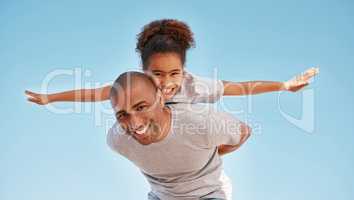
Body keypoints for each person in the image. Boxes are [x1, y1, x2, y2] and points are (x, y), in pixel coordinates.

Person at [25, 19, 319, 106]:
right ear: (144, 71)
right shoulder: (135, 87)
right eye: (157, 74)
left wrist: (283, 85)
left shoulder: (194, 86)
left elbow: (239, 88)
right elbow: (96, 93)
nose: (166, 82)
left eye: (174, 73)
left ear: (184, 71)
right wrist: (50, 97)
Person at [108, 71, 251, 200]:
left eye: (141, 107)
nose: (134, 123)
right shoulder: (118, 140)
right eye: (122, 115)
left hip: (207, 194)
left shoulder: (200, 123)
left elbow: (243, 131)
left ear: (159, 98)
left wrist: (213, 153)